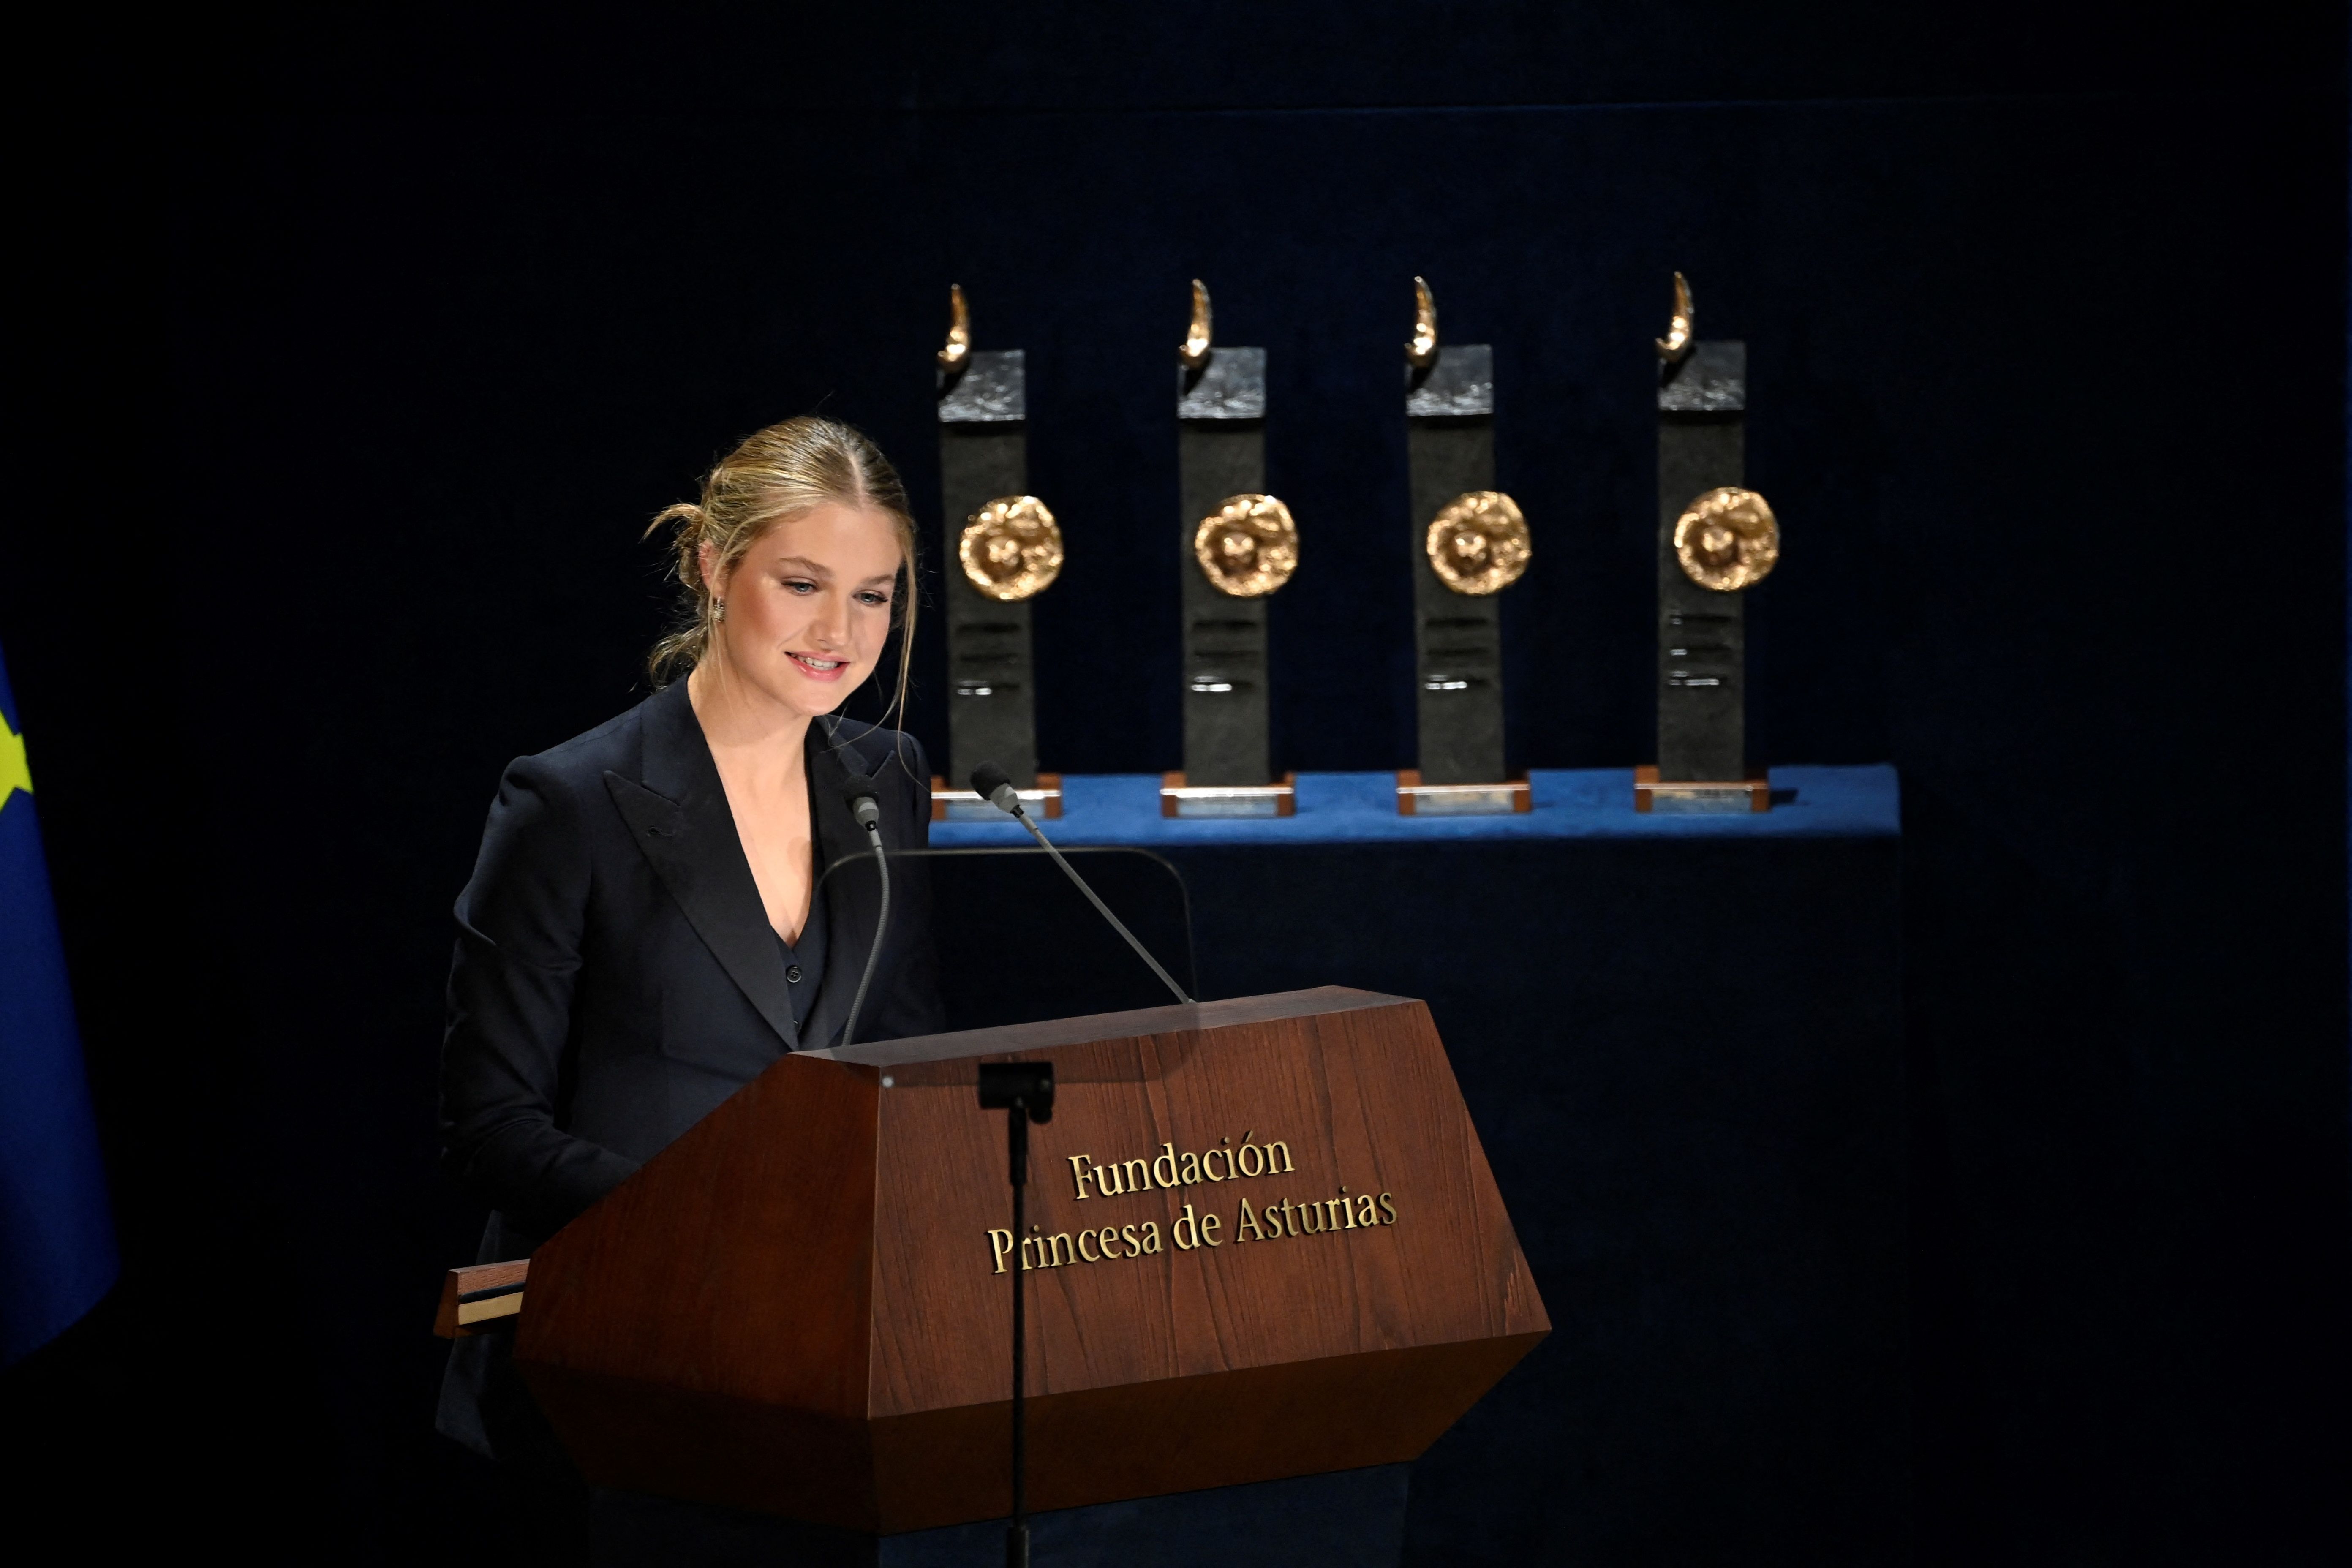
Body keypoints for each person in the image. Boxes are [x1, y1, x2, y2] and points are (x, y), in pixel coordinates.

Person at [433, 417, 943, 1530]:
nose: (838, 630)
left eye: (873, 594)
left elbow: (901, 1054)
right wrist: (718, 1233)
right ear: (714, 566)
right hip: (617, 1381)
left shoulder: (890, 776)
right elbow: (491, 1123)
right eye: (802, 582)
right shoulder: (568, 802)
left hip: (831, 1375)